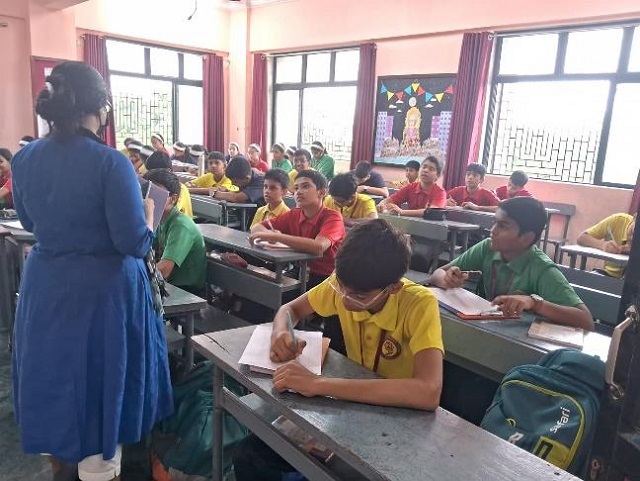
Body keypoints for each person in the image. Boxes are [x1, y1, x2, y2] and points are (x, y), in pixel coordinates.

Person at [10, 61, 172, 481]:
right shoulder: (111, 163)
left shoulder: (25, 158)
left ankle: (59, 462)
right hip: (103, 294)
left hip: (46, 286)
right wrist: (149, 215)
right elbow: (133, 242)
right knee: (101, 386)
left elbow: (28, 221)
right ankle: (99, 471)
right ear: (102, 107)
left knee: (53, 375)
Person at [233, 219, 444, 481]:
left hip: (397, 420)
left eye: (359, 296)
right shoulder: (346, 283)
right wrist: (281, 333)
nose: (344, 299)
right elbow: (290, 309)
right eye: (341, 288)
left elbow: (428, 391)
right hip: (348, 406)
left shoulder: (419, 304)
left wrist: (318, 384)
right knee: (249, 453)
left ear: (393, 288)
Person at [430, 197, 594, 330]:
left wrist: (534, 303)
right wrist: (447, 280)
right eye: (494, 222)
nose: (493, 230)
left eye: (502, 226)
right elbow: (438, 272)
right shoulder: (488, 247)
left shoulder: (542, 269)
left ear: (527, 238)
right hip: (486, 329)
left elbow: (586, 321)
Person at [249, 170, 345, 286]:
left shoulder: (333, 217)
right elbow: (257, 227)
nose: (298, 192)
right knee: (264, 285)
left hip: (327, 277)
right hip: (300, 270)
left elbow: (319, 247)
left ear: (321, 192)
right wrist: (267, 234)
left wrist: (275, 237)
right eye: (296, 188)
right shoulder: (294, 214)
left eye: (305, 186)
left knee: (276, 291)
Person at [144, 169, 206, 294]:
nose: (148, 197)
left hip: (187, 292)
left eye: (156, 193)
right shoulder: (160, 220)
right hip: (170, 286)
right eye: (147, 191)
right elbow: (146, 250)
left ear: (173, 199)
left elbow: (164, 270)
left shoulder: (181, 225)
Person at [377, 156, 447, 217]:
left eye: (431, 169)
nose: (425, 170)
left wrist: (402, 212)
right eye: (424, 167)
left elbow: (432, 212)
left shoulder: (440, 192)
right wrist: (381, 204)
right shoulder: (411, 187)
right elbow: (390, 200)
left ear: (438, 175)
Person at [577, 213, 636, 278]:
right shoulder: (618, 220)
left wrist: (624, 250)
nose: (632, 238)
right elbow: (581, 238)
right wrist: (603, 245)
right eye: (632, 232)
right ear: (634, 218)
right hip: (608, 275)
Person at [145, 150, 193, 217]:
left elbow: (167, 212)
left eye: (155, 173)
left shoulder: (180, 189)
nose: (151, 175)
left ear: (167, 171)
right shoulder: (152, 185)